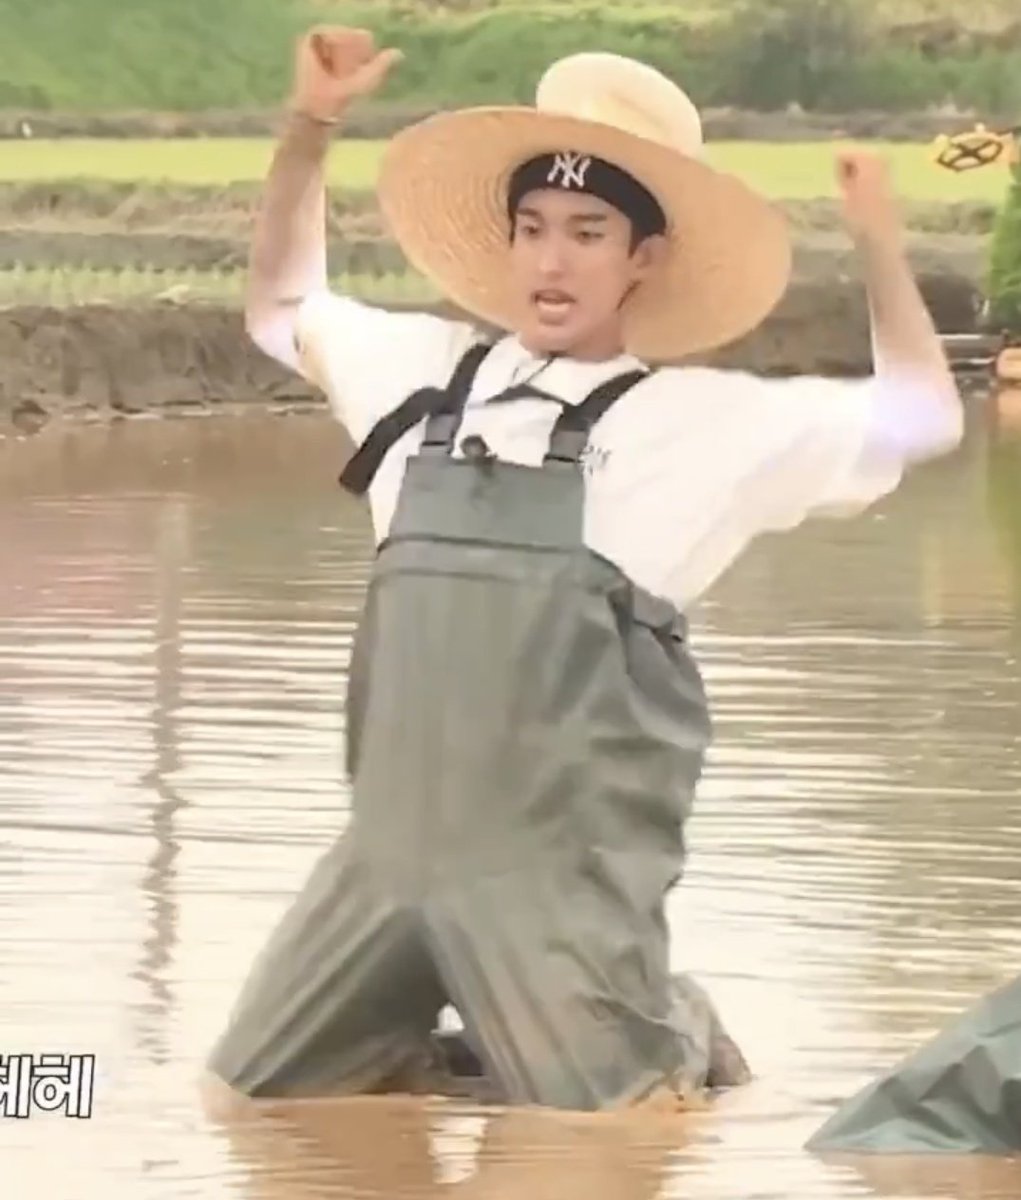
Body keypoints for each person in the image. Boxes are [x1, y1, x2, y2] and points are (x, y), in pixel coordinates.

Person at [202, 27, 964, 1115]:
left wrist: (878, 242)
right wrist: (310, 127)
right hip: (377, 875)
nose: (551, 262)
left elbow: (925, 417)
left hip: (551, 897)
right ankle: (436, 1043)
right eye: (533, 229)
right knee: (249, 1105)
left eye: (588, 233)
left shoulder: (697, 425)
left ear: (642, 258)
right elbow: (279, 308)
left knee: (606, 1137)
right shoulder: (418, 378)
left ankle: (672, 1022)